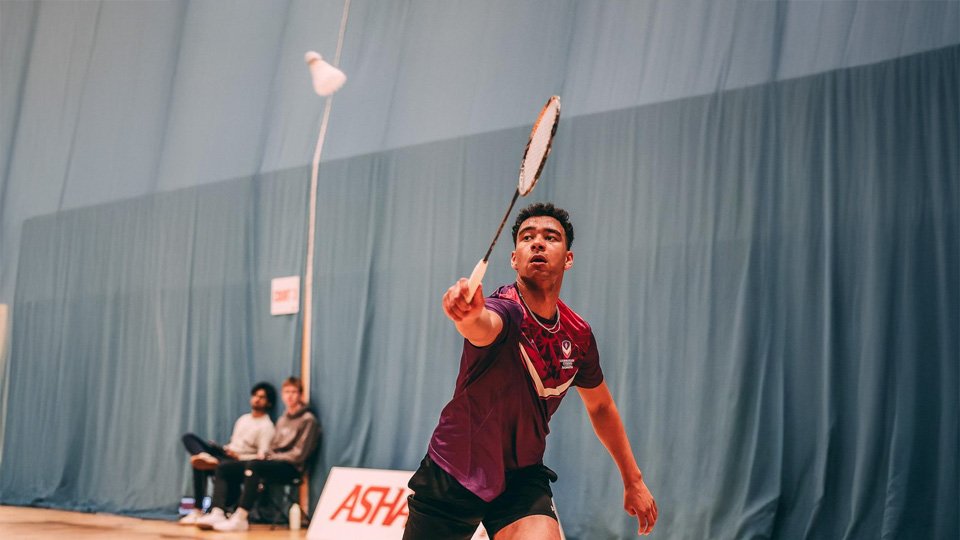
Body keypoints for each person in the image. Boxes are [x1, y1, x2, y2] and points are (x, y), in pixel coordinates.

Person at [403, 202, 658, 539]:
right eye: (527, 238)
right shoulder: (505, 310)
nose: (538, 243)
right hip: (455, 468)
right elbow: (483, 325)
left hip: (521, 476)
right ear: (514, 258)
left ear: (568, 259)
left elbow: (600, 406)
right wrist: (466, 315)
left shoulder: (578, 335)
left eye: (551, 237)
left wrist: (633, 479)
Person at [196, 376, 321, 532]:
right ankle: (217, 512)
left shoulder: (308, 420)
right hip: (272, 462)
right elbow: (273, 447)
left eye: (294, 392)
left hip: (291, 468)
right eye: (287, 392)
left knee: (254, 465)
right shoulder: (282, 419)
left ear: (300, 395)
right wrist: (267, 455)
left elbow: (299, 455)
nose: (290, 396)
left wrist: (270, 457)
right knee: (224, 467)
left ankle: (241, 517)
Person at [179, 381, 276, 525]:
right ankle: (203, 457)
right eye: (255, 395)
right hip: (226, 454)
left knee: (201, 465)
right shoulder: (243, 419)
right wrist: (226, 449)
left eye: (262, 397)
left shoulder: (266, 426)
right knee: (189, 440)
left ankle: (204, 509)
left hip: (239, 461)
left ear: (268, 403)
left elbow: (262, 457)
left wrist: (240, 456)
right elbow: (234, 442)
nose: (257, 399)